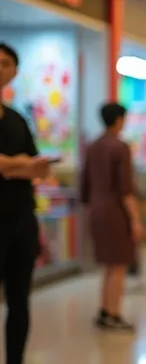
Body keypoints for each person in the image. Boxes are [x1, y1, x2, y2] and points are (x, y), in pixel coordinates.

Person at [0, 43, 52, 364]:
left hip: (21, 220)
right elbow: (25, 165)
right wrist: (17, 164)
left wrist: (12, 164)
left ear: (14, 72)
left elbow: (38, 166)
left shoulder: (18, 120)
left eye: (5, 63)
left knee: (20, 301)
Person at [81, 103, 144, 331]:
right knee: (119, 265)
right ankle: (114, 313)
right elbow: (125, 189)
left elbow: (84, 186)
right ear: (118, 120)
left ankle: (104, 310)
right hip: (115, 213)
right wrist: (135, 219)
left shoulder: (92, 147)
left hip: (96, 210)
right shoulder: (121, 147)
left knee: (108, 265)